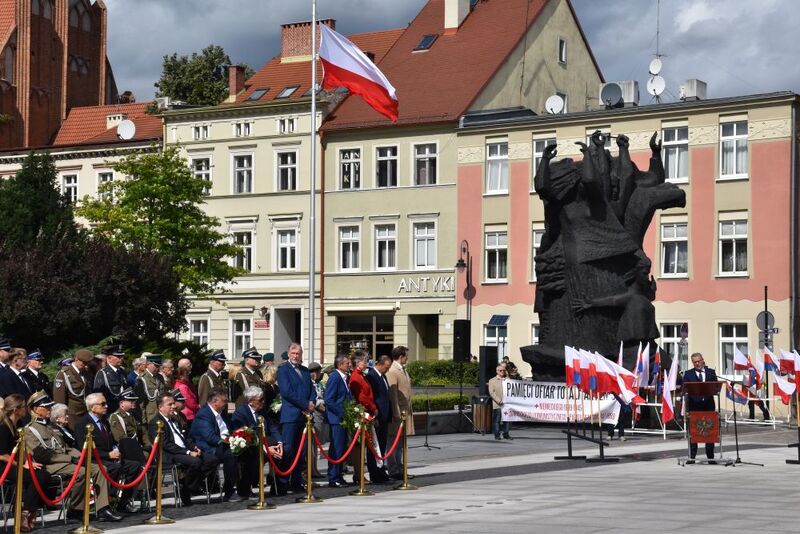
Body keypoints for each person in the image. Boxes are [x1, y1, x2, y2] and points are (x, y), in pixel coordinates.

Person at [25, 391, 123, 522]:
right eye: (46, 407)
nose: (50, 409)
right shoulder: (30, 430)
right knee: (82, 473)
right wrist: (71, 459)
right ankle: (76, 509)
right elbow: (43, 455)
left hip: (66, 462)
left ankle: (103, 508)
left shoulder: (51, 426)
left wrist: (81, 456)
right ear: (36, 409)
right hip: (50, 465)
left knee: (101, 469)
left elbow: (66, 448)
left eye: (50, 406)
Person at [74, 393, 142, 513]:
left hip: (109, 457)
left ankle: (122, 501)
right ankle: (108, 501)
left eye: (106, 403)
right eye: (102, 404)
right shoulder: (82, 423)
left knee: (134, 466)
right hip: (95, 459)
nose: (106, 406)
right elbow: (85, 449)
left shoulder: (104, 421)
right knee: (114, 468)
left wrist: (116, 451)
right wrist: (108, 455)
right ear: (92, 407)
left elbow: (111, 441)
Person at [148, 392, 216, 507]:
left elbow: (185, 438)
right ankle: (187, 488)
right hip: (170, 454)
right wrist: (188, 452)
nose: (174, 406)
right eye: (170, 404)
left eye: (174, 403)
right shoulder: (155, 423)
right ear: (161, 407)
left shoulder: (175, 418)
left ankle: (187, 485)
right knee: (196, 462)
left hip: (183, 451)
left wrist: (194, 447)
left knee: (212, 460)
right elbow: (165, 444)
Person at [0, 394, 52, 532]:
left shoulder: (19, 425)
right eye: (23, 407)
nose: (26, 410)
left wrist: (29, 462)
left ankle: (27, 510)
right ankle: (26, 512)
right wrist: (22, 465)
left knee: (43, 475)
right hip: (4, 466)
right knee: (38, 477)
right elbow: (2, 455)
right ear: (16, 409)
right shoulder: (3, 427)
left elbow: (22, 449)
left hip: (16, 463)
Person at [189, 387, 242, 501]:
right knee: (230, 454)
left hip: (223, 442)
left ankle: (245, 487)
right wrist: (230, 441)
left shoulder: (221, 412)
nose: (226, 403)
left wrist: (240, 434)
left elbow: (229, 428)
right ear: (215, 401)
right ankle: (229, 491)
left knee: (247, 451)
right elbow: (210, 437)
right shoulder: (204, 414)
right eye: (224, 401)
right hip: (209, 446)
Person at [276, 342, 315, 494]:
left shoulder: (305, 370)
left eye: (298, 353)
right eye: (293, 353)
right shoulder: (283, 370)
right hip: (291, 415)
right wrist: (305, 404)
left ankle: (296, 481)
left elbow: (311, 389)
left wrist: (311, 401)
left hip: (305, 417)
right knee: (288, 449)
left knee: (302, 450)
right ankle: (282, 483)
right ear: (289, 353)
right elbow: (286, 392)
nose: (296, 356)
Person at [231, 386, 283, 498]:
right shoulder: (241, 413)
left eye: (263, 399)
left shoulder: (262, 410)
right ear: (251, 401)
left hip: (266, 441)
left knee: (284, 452)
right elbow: (247, 435)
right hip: (252, 445)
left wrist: (279, 442)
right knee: (253, 456)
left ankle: (278, 486)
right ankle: (245, 488)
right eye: (260, 400)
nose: (263, 402)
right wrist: (266, 448)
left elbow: (272, 427)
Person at [682, 352, 718, 462]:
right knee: (694, 431)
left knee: (709, 430)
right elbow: (685, 389)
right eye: (695, 362)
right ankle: (692, 456)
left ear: (703, 360)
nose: (697, 363)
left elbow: (716, 387)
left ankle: (710, 457)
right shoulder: (688, 374)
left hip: (708, 405)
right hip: (694, 405)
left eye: (699, 361)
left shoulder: (711, 372)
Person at [386, 345, 414, 480]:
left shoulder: (403, 370)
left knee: (401, 444)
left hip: (405, 411)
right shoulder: (393, 371)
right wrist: (396, 413)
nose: (407, 358)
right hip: (398, 412)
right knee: (393, 443)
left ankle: (400, 468)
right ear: (401, 356)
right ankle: (393, 470)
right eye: (406, 356)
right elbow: (393, 395)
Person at [324, 354, 352, 487]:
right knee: (336, 448)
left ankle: (338, 475)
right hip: (337, 419)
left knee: (341, 448)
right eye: (347, 363)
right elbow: (329, 400)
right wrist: (343, 412)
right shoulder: (335, 377)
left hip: (343, 419)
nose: (349, 365)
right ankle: (333, 476)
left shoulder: (344, 378)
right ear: (340, 365)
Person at [365, 355, 393, 483]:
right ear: (380, 364)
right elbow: (372, 397)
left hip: (384, 416)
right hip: (377, 416)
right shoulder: (371, 376)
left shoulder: (383, 376)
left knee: (381, 447)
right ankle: (375, 474)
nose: (387, 370)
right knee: (374, 448)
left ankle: (381, 472)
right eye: (386, 367)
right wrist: (373, 415)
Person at [53, 349, 93, 429]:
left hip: (86, 414)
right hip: (72, 416)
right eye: (84, 363)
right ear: (76, 359)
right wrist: (62, 417)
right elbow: (59, 399)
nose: (86, 365)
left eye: (87, 363)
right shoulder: (64, 374)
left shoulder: (85, 373)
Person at [135, 354, 165, 445]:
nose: (157, 368)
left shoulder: (160, 377)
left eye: (159, 366)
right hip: (149, 416)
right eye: (155, 366)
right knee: (151, 444)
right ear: (148, 364)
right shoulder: (142, 379)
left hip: (161, 414)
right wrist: (143, 420)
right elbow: (140, 403)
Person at [94, 345, 129, 414]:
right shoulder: (102, 373)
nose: (121, 359)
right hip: (110, 410)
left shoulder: (122, 372)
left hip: (123, 409)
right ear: (109, 358)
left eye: (122, 356)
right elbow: (99, 394)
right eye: (118, 357)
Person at [308, 361, 327, 478]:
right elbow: (315, 399)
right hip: (315, 413)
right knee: (312, 443)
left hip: (320, 414)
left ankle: (314, 468)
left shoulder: (318, 383)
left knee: (315, 444)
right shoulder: (311, 383)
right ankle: (312, 469)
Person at [488, 365, 512, 440]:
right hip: (498, 404)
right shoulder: (492, 380)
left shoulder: (508, 379)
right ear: (497, 371)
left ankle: (506, 433)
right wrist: (499, 401)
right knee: (497, 420)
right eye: (500, 370)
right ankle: (497, 435)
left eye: (504, 370)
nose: (502, 372)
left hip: (507, 404)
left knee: (507, 420)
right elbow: (492, 393)